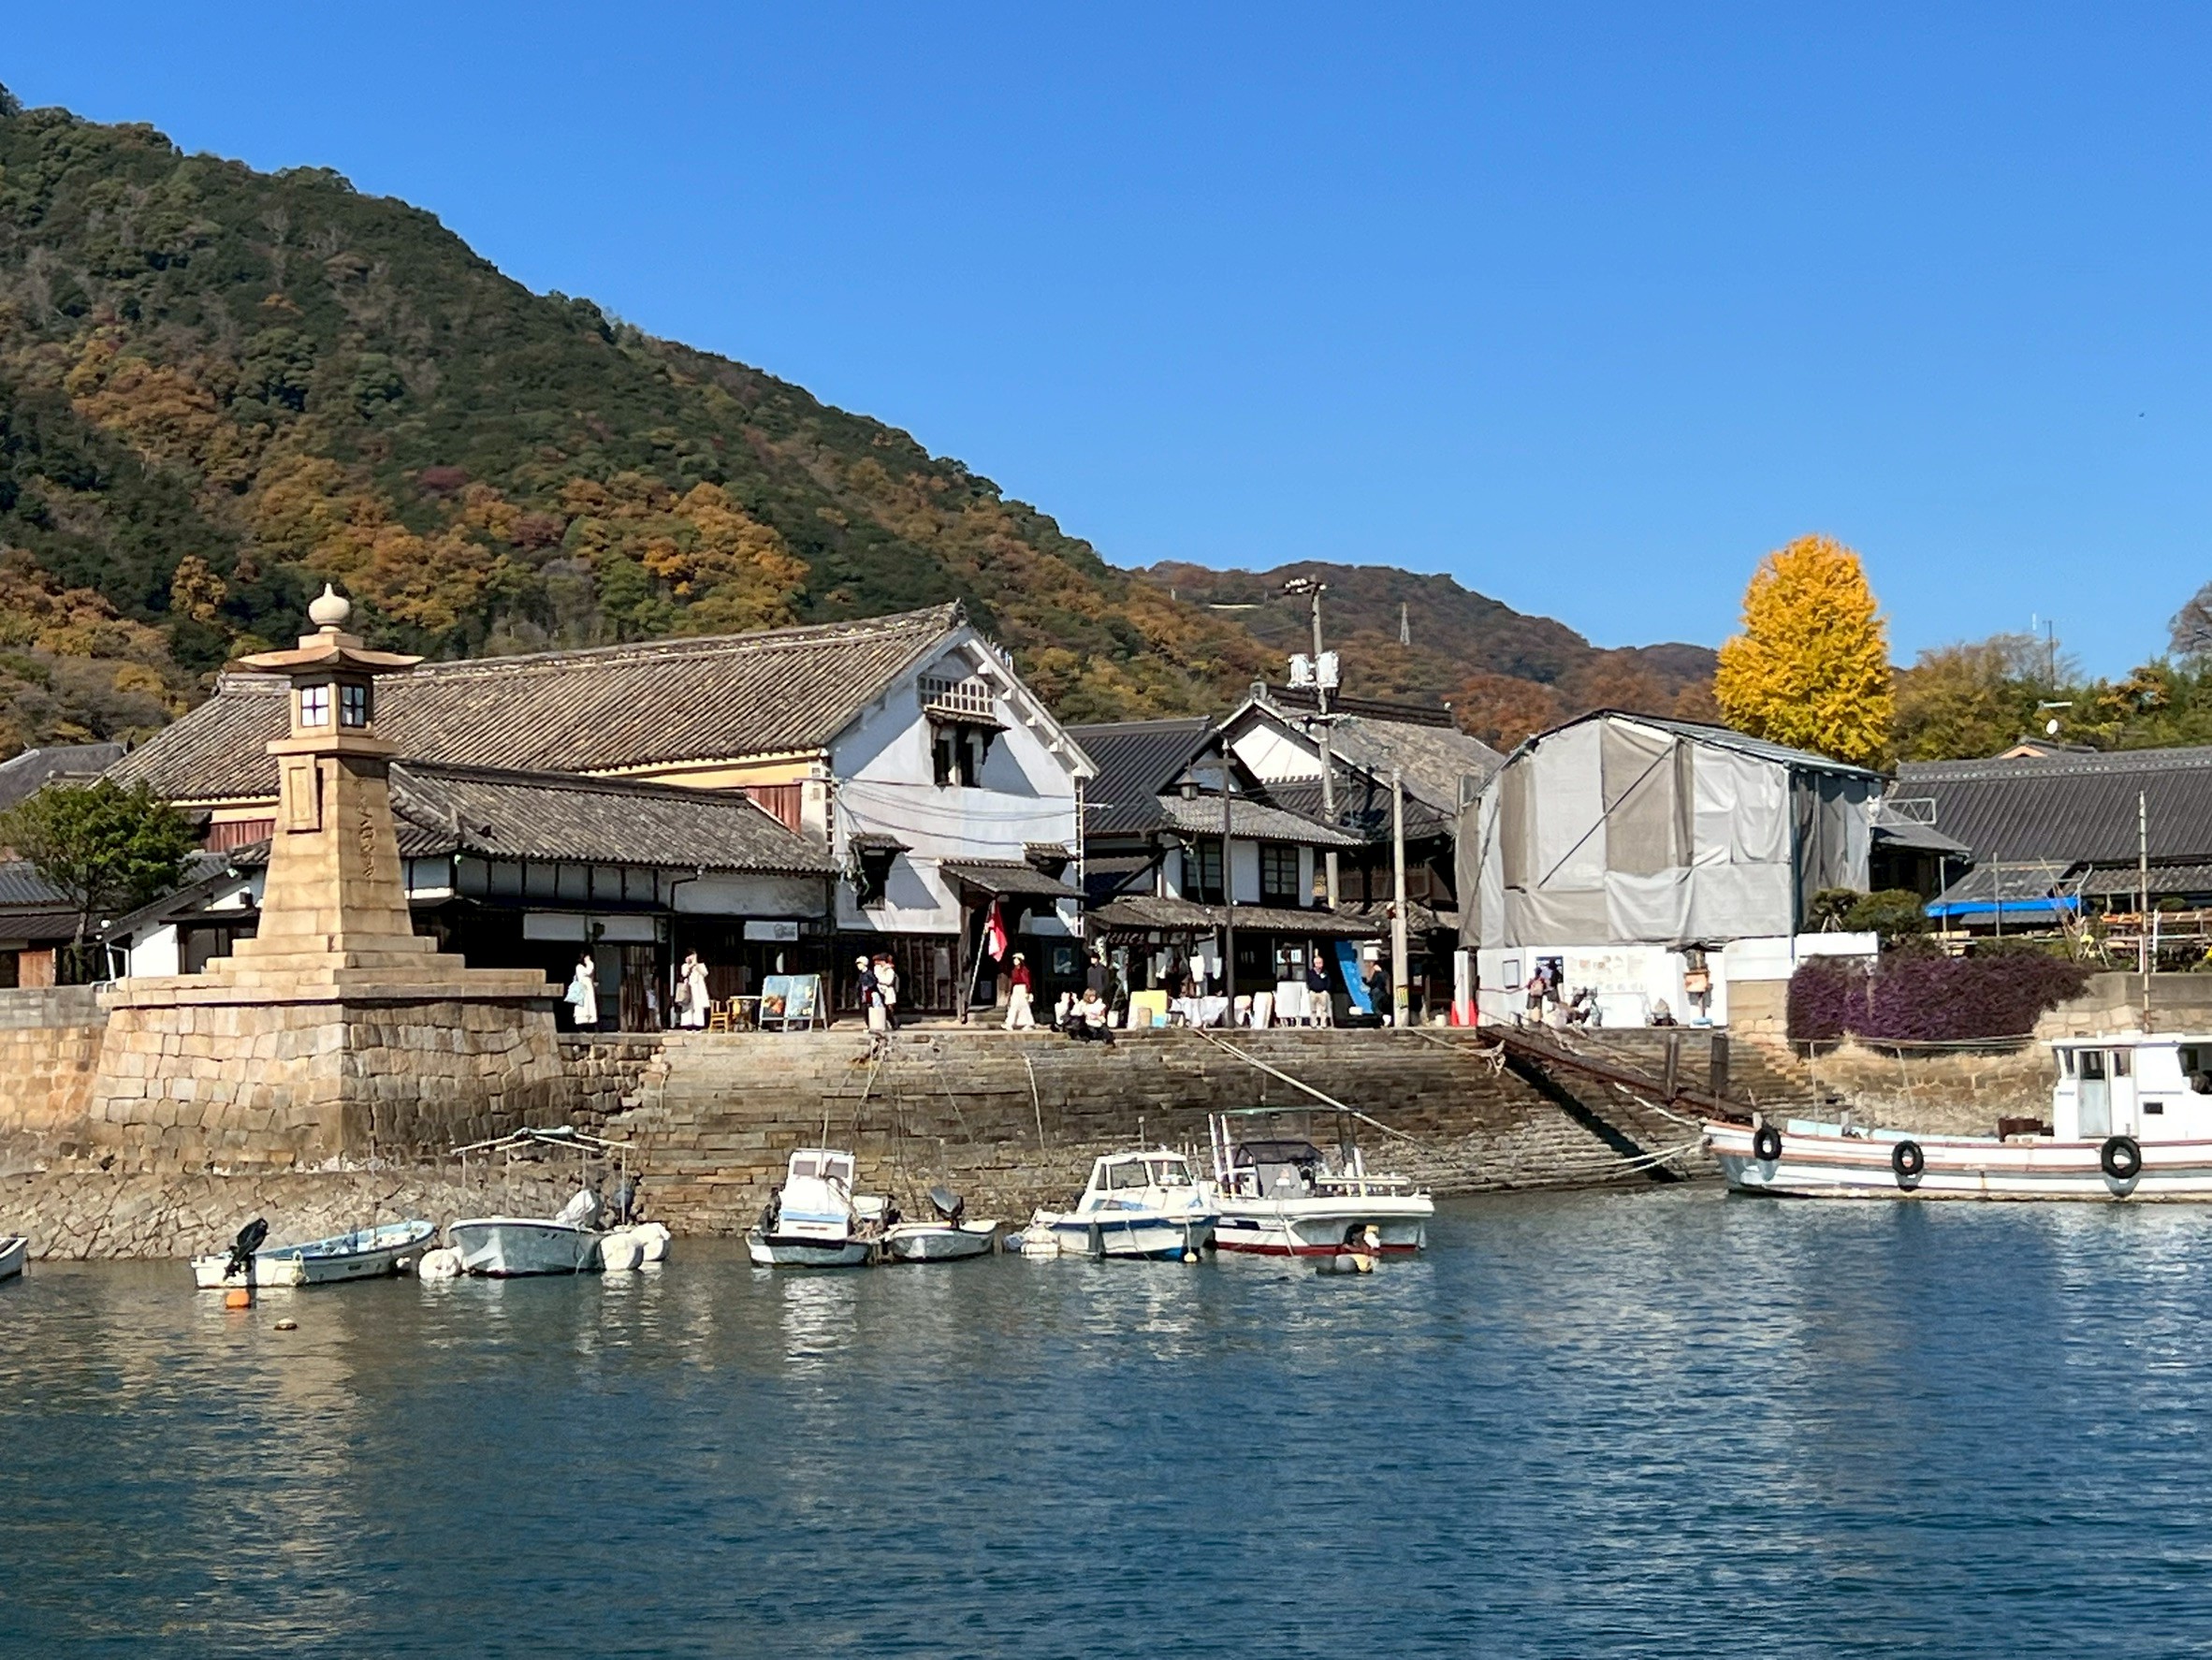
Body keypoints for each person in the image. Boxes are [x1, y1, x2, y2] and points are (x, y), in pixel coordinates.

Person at [676, 950, 710, 1029]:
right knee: (687, 1006)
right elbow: (684, 973)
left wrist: (696, 965)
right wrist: (690, 965)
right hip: (688, 988)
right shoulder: (685, 966)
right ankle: (687, 1024)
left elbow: (705, 973)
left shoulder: (701, 965)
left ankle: (698, 1024)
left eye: (693, 955)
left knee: (698, 1006)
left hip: (698, 989)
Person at [564, 953, 599, 1032]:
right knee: (583, 1007)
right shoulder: (579, 967)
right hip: (583, 990)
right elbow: (589, 971)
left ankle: (588, 1026)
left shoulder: (582, 967)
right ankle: (581, 1027)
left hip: (587, 989)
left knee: (588, 1007)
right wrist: (589, 962)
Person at [1005, 951, 1035, 1030]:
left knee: (1024, 1006)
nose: (1015, 961)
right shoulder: (1014, 970)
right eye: (1014, 959)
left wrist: (1028, 991)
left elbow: (1027, 981)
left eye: (1017, 959)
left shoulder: (1024, 970)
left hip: (1022, 988)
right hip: (1016, 988)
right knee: (1013, 1005)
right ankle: (1009, 1023)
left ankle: (1029, 1023)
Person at [855, 954, 885, 1034]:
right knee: (864, 1010)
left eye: (860, 964)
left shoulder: (869, 973)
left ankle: (873, 1025)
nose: (858, 966)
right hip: (864, 995)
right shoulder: (861, 974)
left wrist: (868, 987)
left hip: (870, 995)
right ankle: (868, 1025)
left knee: (871, 1010)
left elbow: (873, 982)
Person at [873, 952, 900, 1031]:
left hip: (888, 991)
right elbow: (876, 976)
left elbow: (888, 981)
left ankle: (894, 1024)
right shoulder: (878, 969)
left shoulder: (890, 970)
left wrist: (880, 980)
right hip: (881, 990)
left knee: (890, 1008)